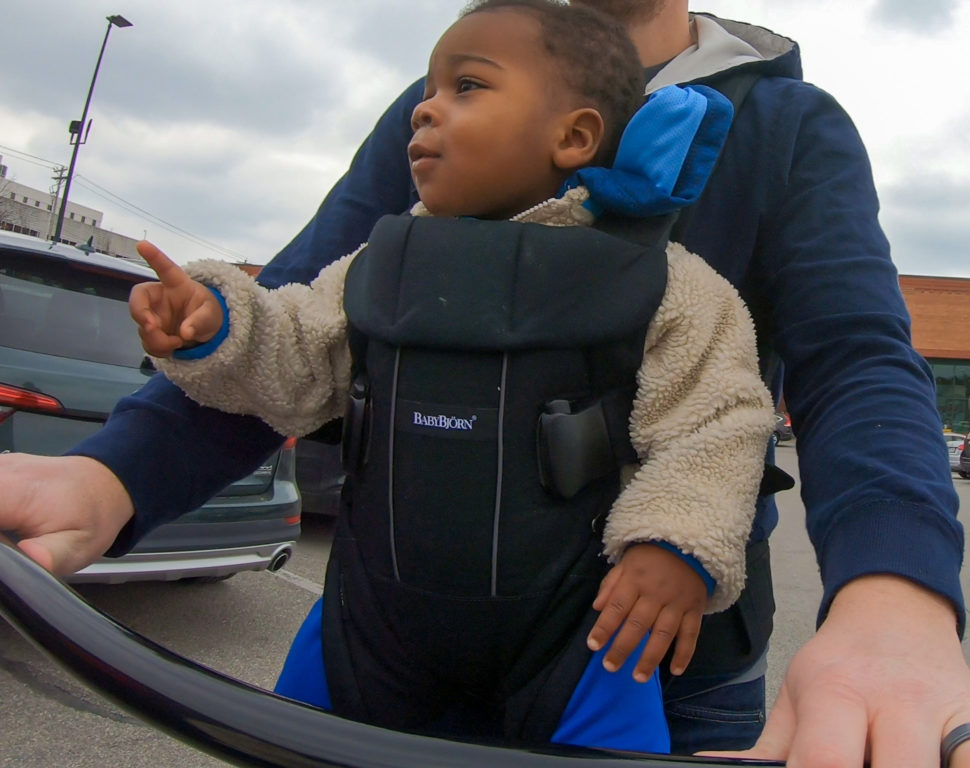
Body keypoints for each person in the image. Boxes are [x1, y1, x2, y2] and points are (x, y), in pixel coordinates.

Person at [1, 1, 970, 767]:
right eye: (442, 92)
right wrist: (109, 480)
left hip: (659, 671)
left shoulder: (786, 123)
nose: (439, 112)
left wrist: (893, 600)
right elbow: (305, 319)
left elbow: (853, 364)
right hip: (388, 632)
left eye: (466, 92)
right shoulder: (442, 103)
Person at [123, 0, 774, 752]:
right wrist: (221, 325)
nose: (424, 110)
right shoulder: (382, 264)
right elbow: (297, 357)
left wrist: (677, 545)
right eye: (429, 90)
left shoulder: (662, 282)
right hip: (369, 627)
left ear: (575, 135)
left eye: (466, 87)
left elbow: (721, 420)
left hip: (577, 639)